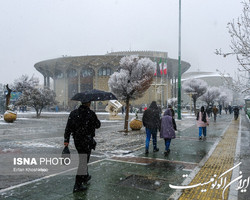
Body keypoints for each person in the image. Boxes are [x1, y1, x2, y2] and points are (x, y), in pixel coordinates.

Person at [64, 101, 101, 193]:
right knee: (83, 162)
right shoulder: (91, 114)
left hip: (77, 141)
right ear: (88, 103)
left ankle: (85, 176)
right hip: (87, 140)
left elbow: (68, 128)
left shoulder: (73, 113)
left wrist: (66, 140)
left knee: (83, 159)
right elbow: (98, 125)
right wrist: (96, 118)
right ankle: (77, 185)